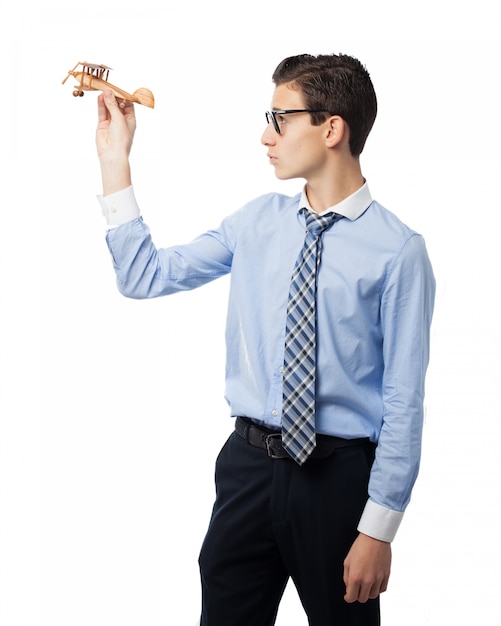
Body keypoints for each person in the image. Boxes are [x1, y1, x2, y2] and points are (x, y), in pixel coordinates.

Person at [95, 53, 435, 626]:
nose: (265, 136)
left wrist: (380, 528)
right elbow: (143, 276)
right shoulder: (255, 223)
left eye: (280, 119)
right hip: (247, 469)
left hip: (337, 478)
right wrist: (114, 161)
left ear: (331, 129)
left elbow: (404, 401)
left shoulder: (400, 252)